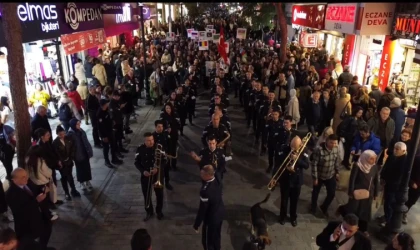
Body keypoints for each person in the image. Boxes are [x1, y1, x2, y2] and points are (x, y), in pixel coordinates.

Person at [6, 168, 55, 250]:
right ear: (14, 180)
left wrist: (43, 190)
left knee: (47, 229)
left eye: (26, 175)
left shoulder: (27, 183)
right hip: (26, 225)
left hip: (38, 217)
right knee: (29, 243)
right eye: (22, 177)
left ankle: (42, 246)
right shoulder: (11, 194)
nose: (26, 178)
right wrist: (37, 201)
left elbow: (34, 191)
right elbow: (21, 211)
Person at [340, 150, 379, 236]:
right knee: (353, 209)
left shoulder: (374, 167)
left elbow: (376, 180)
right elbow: (352, 179)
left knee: (365, 211)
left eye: (374, 159)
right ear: (366, 158)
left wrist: (376, 193)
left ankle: (363, 229)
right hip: (357, 192)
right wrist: (350, 192)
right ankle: (349, 225)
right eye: (371, 159)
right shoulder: (357, 166)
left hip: (368, 193)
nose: (373, 161)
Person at [274, 136, 309, 227]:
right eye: (292, 146)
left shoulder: (304, 151)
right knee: (284, 200)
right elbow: (278, 163)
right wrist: (275, 177)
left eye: (296, 147)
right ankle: (282, 217)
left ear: (300, 145)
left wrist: (297, 160)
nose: (293, 148)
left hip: (297, 181)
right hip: (285, 179)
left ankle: (293, 217)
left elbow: (306, 165)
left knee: (295, 201)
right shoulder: (284, 149)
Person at [193, 165, 225, 250]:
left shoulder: (205, 191)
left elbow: (202, 210)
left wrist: (197, 224)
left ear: (207, 175)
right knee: (217, 237)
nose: (201, 175)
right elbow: (217, 170)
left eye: (202, 174)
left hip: (211, 219)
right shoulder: (217, 178)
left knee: (208, 242)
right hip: (220, 214)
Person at [134, 132, 164, 221]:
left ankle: (159, 211)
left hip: (157, 175)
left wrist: (158, 168)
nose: (151, 142)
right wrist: (143, 171)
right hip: (146, 176)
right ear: (144, 141)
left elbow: (165, 160)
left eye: (152, 140)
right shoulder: (140, 149)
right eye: (148, 140)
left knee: (159, 195)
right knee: (146, 195)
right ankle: (149, 211)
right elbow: (136, 162)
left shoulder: (159, 147)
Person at [311, 134, 340, 216]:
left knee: (331, 193)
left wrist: (337, 172)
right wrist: (315, 178)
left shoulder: (335, 149)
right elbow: (314, 164)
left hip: (330, 175)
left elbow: (336, 161)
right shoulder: (319, 150)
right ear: (327, 141)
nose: (333, 145)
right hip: (320, 175)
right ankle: (313, 207)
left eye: (335, 143)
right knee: (315, 192)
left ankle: (324, 207)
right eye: (331, 143)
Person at [379, 142, 407, 227]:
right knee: (387, 202)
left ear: (403, 151)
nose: (395, 150)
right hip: (388, 183)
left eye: (397, 149)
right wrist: (382, 177)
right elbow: (385, 167)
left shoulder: (405, 161)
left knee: (390, 203)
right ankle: (387, 216)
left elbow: (399, 175)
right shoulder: (392, 156)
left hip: (394, 186)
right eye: (395, 148)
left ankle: (388, 220)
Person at [52, 125, 80, 200]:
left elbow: (73, 148)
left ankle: (73, 190)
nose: (62, 135)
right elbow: (56, 153)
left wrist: (70, 157)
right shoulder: (55, 143)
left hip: (69, 161)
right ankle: (66, 192)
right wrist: (62, 160)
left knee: (70, 176)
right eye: (60, 134)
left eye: (63, 133)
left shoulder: (68, 139)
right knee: (64, 177)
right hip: (62, 164)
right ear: (57, 134)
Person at [67, 119, 93, 191]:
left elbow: (86, 141)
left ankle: (88, 181)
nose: (79, 125)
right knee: (80, 169)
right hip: (77, 155)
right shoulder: (70, 134)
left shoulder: (81, 131)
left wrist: (89, 151)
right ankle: (82, 182)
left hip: (85, 152)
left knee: (87, 168)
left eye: (79, 124)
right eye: (77, 124)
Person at [97, 99, 123, 168]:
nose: (108, 104)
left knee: (113, 145)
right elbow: (100, 127)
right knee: (106, 148)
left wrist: (112, 123)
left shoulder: (107, 110)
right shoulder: (99, 113)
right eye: (106, 104)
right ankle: (106, 161)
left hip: (110, 131)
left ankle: (114, 158)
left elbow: (109, 118)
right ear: (103, 105)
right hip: (105, 134)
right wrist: (103, 136)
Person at [152, 120, 173, 191]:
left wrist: (169, 153)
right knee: (158, 171)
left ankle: (167, 182)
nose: (161, 128)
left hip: (165, 156)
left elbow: (169, 144)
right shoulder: (153, 136)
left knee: (166, 170)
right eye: (159, 127)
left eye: (162, 127)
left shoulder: (165, 134)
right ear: (155, 127)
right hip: (157, 157)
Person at [159, 103, 181, 170]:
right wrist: (165, 130)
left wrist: (172, 129)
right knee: (167, 150)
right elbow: (160, 125)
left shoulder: (175, 115)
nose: (168, 110)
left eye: (169, 108)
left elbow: (179, 125)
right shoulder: (162, 116)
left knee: (173, 150)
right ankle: (167, 164)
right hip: (166, 136)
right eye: (166, 108)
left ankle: (174, 165)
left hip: (174, 135)